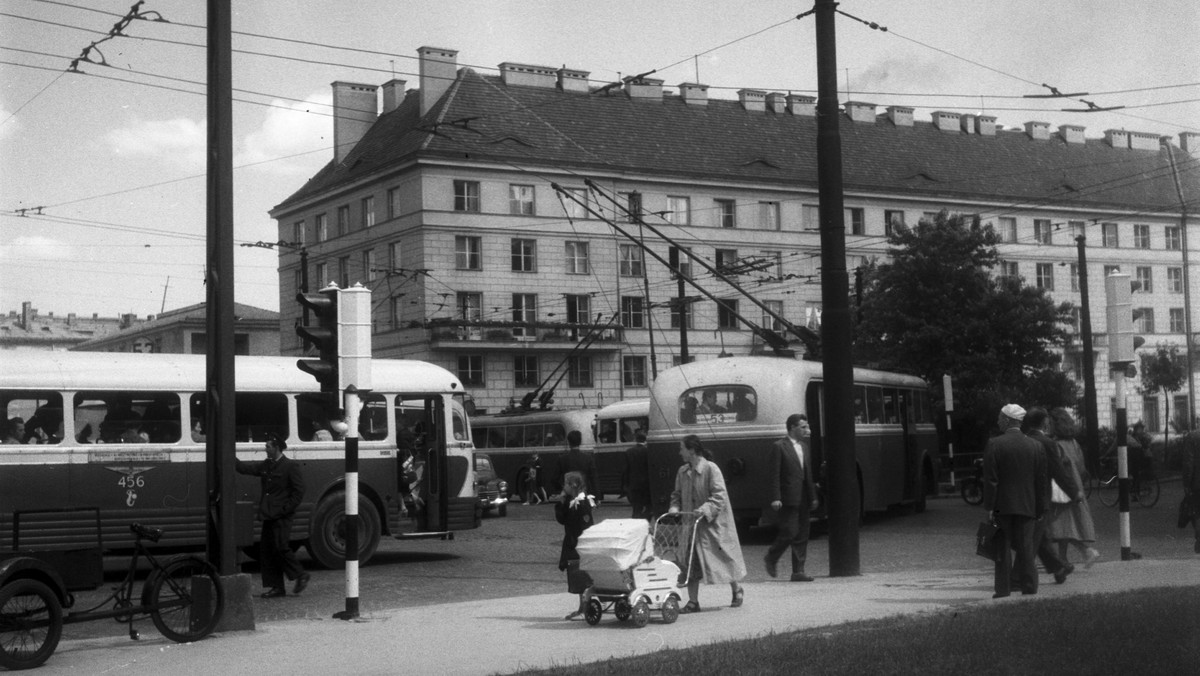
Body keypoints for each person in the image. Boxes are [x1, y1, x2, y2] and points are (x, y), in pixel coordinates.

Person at [669, 434, 746, 612]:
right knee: (689, 563)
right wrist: (674, 507)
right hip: (690, 526)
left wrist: (705, 510)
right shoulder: (682, 472)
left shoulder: (711, 469)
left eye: (682, 449)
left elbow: (719, 496)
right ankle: (693, 602)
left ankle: (737, 588)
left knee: (723, 557)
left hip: (712, 526)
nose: (680, 452)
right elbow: (676, 495)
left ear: (692, 450)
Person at [982, 403, 1047, 599]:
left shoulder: (994, 444)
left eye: (1000, 418)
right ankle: (1029, 586)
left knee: (1002, 548)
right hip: (1027, 506)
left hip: (1002, 506)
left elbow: (991, 480)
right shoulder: (1036, 446)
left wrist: (989, 506)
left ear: (1008, 420)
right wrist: (1040, 507)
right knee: (1026, 547)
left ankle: (1003, 589)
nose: (997, 421)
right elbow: (1040, 481)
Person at [236, 432, 310, 598]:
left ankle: (300, 575)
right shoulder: (267, 465)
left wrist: (286, 510)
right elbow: (245, 469)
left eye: (268, 446)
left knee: (280, 547)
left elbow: (299, 491)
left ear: (276, 447)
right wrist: (229, 457)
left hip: (282, 515)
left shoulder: (290, 466)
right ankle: (277, 587)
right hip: (269, 515)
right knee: (268, 551)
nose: (265, 449)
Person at [1022, 406, 1076, 586]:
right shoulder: (1047, 443)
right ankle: (1023, 576)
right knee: (1035, 537)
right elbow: (1058, 472)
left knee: (1041, 536)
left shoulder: (1023, 440)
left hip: (1024, 496)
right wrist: (1074, 492)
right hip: (1042, 497)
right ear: (1045, 422)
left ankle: (1058, 568)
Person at [763, 413, 818, 582]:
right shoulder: (779, 446)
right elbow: (774, 474)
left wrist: (813, 496)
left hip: (804, 496)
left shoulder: (804, 447)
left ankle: (798, 571)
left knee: (803, 533)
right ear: (792, 427)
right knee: (790, 531)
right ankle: (772, 556)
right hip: (788, 496)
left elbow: (807, 474)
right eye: (803, 427)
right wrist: (775, 497)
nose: (807, 430)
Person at [1047, 408, 1100, 567]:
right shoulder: (1074, 443)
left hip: (1062, 489)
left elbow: (1057, 469)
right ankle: (1063, 558)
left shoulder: (1056, 445)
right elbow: (1081, 467)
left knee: (1058, 525)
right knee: (1066, 524)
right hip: (1075, 487)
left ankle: (1086, 551)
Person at [555, 471, 595, 620]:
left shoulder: (583, 503)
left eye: (565, 483)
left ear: (573, 485)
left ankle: (585, 608)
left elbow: (585, 527)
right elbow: (563, 519)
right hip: (573, 543)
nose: (563, 486)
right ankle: (582, 607)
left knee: (581, 576)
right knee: (576, 575)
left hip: (579, 545)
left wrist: (579, 544)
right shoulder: (572, 501)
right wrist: (562, 502)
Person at [552, 430, 601, 503]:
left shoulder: (562, 459)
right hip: (583, 495)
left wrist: (561, 488)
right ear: (580, 442)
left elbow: (554, 479)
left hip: (568, 496)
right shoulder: (588, 459)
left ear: (568, 442)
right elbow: (594, 479)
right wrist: (597, 497)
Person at [622, 432, 651, 520]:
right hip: (646, 485)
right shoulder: (648, 451)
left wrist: (625, 485)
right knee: (648, 507)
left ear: (636, 440)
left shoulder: (629, 452)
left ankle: (636, 522)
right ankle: (645, 521)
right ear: (645, 440)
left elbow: (626, 470)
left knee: (636, 508)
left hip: (633, 484)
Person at [1182, 427, 1200, 554]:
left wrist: (1186, 483)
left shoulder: (1193, 437)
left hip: (1197, 483)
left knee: (1197, 512)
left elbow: (1188, 462)